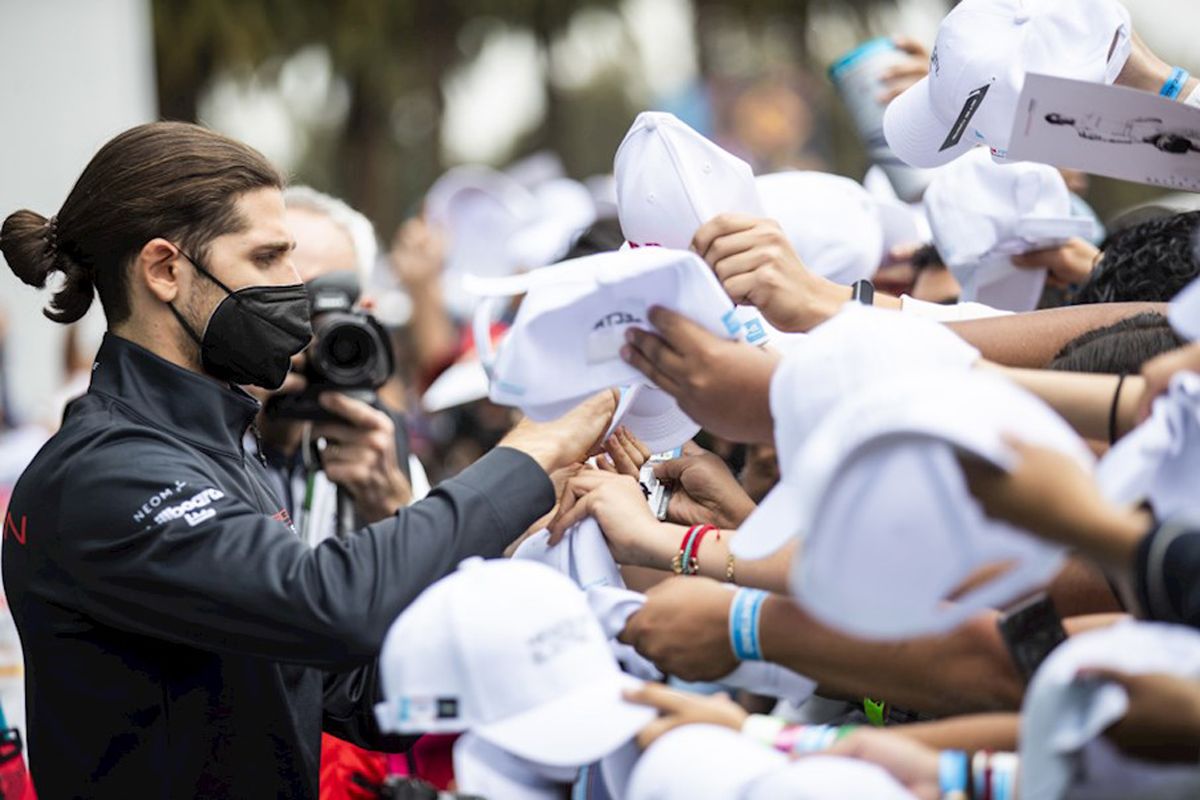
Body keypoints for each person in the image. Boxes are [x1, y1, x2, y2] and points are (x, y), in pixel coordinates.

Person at [0, 121, 614, 798]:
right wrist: (527, 455)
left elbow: (338, 685)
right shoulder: (104, 471)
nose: (295, 286)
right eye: (268, 259)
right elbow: (323, 602)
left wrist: (587, 630)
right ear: (165, 270)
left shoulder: (218, 442)